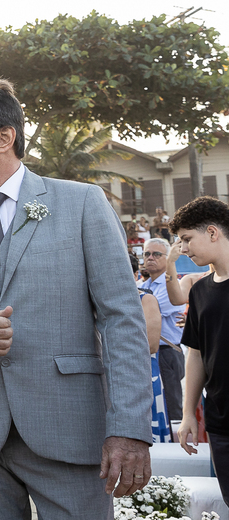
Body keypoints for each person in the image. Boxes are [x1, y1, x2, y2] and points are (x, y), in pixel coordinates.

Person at [0, 79, 153, 520]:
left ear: (4, 137)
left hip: (70, 428)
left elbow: (121, 321)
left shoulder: (82, 204)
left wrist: (129, 429)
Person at [174, 197, 229, 505]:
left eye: (186, 239)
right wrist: (187, 415)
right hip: (221, 420)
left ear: (211, 232)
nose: (183, 249)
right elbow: (195, 353)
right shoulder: (199, 291)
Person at [139, 237, 186, 422]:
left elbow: (145, 314)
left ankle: (177, 448)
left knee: (172, 406)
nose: (150, 257)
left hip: (167, 354)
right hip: (148, 354)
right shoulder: (144, 286)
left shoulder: (170, 286)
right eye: (147, 254)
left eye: (157, 254)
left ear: (168, 258)